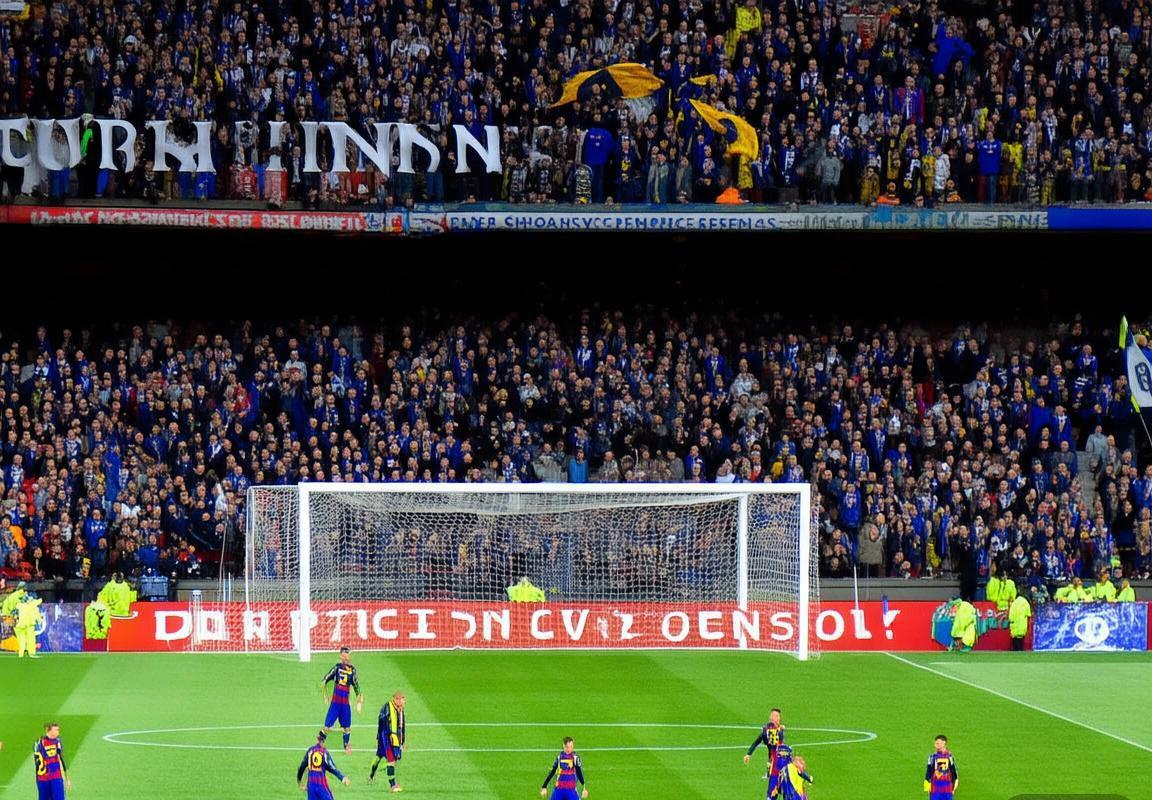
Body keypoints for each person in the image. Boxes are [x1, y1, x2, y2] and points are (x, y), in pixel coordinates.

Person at [321, 646, 364, 753]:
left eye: (348, 655)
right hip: (335, 704)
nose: (346, 657)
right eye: (344, 655)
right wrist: (325, 695)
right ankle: (320, 744)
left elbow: (357, 687)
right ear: (341, 656)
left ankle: (346, 746)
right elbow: (324, 680)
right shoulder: (336, 668)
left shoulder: (352, 670)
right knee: (326, 727)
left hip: (345, 705)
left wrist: (359, 701)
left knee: (347, 728)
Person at [370, 691, 406, 792]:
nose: (403, 702)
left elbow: (402, 726)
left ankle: (371, 776)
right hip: (386, 738)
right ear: (395, 699)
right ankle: (393, 786)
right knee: (391, 761)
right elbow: (381, 721)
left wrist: (403, 741)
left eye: (403, 700)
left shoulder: (400, 710)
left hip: (394, 738)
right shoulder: (387, 706)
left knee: (379, 757)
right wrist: (381, 737)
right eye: (401, 700)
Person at [297, 731, 350, 799]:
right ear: (325, 740)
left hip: (311, 785)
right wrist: (342, 778)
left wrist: (299, 781)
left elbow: (302, 767)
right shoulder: (324, 752)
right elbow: (332, 768)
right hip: (321, 785)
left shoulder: (310, 751)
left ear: (317, 738)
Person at [743, 707, 785, 782]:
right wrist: (748, 754)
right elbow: (757, 741)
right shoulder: (766, 730)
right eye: (774, 716)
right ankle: (770, 773)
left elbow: (780, 741)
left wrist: (780, 730)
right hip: (772, 750)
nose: (777, 718)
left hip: (779, 751)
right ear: (770, 717)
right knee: (772, 757)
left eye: (778, 716)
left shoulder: (779, 730)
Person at [34, 722, 72, 800]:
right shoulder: (55, 742)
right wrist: (67, 778)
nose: (58, 732)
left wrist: (67, 778)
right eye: (56, 730)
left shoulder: (39, 742)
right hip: (49, 778)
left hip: (46, 778)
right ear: (49, 730)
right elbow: (62, 759)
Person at [16, 593, 44, 658]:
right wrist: (40, 621)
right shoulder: (32, 604)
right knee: (31, 639)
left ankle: (21, 654)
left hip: (20, 625)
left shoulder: (19, 605)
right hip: (29, 625)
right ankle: (31, 653)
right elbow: (39, 601)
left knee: (22, 640)